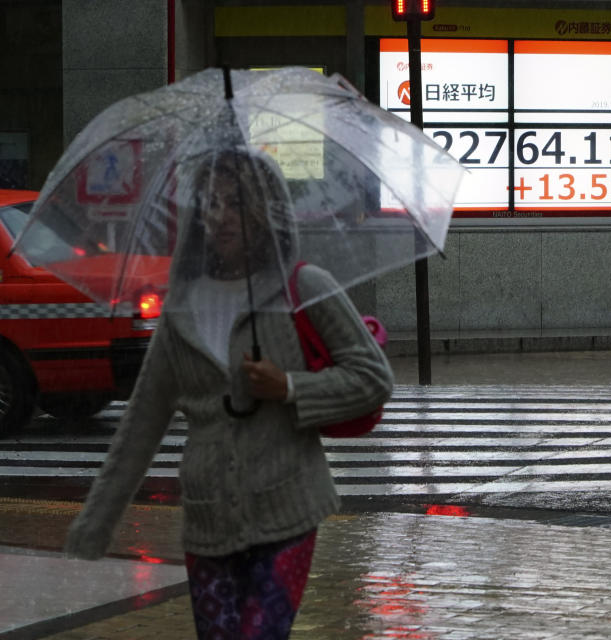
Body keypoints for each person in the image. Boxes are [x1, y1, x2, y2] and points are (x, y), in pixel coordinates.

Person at [64, 147, 394, 639]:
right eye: (211, 204)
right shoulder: (183, 305)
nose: (221, 217)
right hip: (208, 521)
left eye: (237, 203)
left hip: (287, 512)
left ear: (267, 212)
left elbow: (373, 377)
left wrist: (288, 387)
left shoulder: (302, 285)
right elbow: (142, 421)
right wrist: (98, 519)